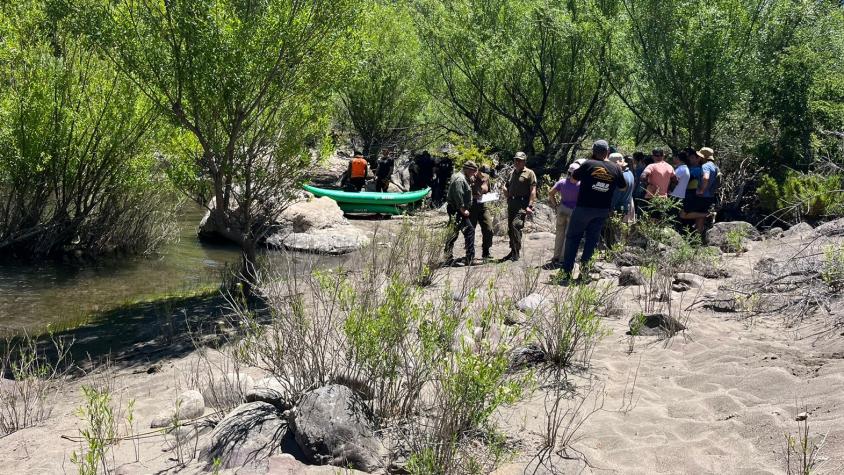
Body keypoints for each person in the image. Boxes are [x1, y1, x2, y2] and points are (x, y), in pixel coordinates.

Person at [560, 140, 627, 282]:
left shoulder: (588, 164)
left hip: (584, 208)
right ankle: (584, 273)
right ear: (608, 151)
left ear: (593, 151)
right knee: (591, 241)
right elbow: (622, 187)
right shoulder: (615, 168)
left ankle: (566, 272)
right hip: (602, 210)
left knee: (573, 239)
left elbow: (573, 179)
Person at [501, 151, 537, 262]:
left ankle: (516, 252)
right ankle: (512, 251)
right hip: (511, 203)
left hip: (522, 204)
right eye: (516, 160)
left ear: (524, 161)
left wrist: (530, 205)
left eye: (519, 160)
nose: (517, 162)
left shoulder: (529, 173)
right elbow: (506, 185)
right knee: (510, 229)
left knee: (516, 225)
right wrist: (505, 189)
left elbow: (533, 190)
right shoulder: (512, 173)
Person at [444, 161, 478, 266]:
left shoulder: (461, 177)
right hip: (457, 209)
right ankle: (469, 258)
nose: (474, 173)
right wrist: (462, 209)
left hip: (456, 209)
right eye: (473, 171)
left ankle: (448, 258)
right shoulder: (460, 179)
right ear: (467, 169)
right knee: (469, 231)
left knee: (453, 233)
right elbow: (458, 195)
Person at [547, 162, 580, 267]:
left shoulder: (562, 182)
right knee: (568, 235)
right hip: (573, 211)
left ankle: (556, 256)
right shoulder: (581, 184)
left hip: (562, 209)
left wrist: (556, 205)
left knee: (559, 234)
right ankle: (562, 258)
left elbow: (551, 193)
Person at [684, 147, 720, 236]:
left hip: (702, 196)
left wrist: (701, 190)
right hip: (710, 196)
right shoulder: (714, 167)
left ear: (703, 157)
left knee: (683, 214)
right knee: (700, 217)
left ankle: (710, 214)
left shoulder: (705, 166)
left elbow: (705, 177)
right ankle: (697, 239)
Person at [604, 152, 636, 248]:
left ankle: (612, 253)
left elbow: (615, 196)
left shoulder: (620, 177)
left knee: (612, 233)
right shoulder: (630, 173)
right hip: (626, 207)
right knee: (620, 232)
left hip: (616, 208)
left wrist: (610, 208)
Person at [469, 165, 495, 261]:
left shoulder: (487, 178)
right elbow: (465, 192)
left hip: (483, 205)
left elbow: (488, 190)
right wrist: (474, 197)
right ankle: (470, 254)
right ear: (478, 171)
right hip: (472, 206)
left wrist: (490, 196)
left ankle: (486, 251)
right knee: (471, 230)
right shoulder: (470, 178)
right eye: (482, 173)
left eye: (486, 174)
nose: (484, 175)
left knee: (489, 229)